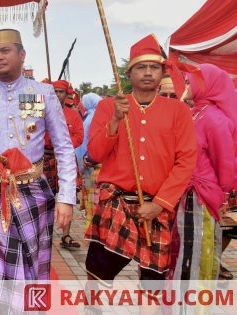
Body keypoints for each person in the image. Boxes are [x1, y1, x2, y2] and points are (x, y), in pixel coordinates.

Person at [0, 29, 75, 281]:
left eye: (5, 51)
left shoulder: (43, 93)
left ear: (22, 54)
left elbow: (63, 147)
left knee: (35, 260)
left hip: (34, 190)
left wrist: (67, 197)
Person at [85, 34, 197, 296]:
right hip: (117, 202)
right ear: (129, 72)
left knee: (152, 281)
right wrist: (115, 120)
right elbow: (95, 153)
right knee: (98, 270)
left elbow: (186, 160)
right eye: (141, 67)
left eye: (154, 67)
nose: (148, 73)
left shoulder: (178, 111)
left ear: (162, 71)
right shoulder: (107, 106)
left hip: (158, 206)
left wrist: (159, 204)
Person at [166, 64, 237, 309]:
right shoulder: (196, 112)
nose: (186, 86)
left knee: (196, 255)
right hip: (186, 194)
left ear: (207, 85)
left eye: (191, 81)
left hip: (199, 197)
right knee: (184, 254)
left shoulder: (215, 119)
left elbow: (226, 164)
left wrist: (223, 191)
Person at [45, 79, 84, 249]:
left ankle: (66, 235)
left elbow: (79, 136)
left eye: (60, 92)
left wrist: (62, 145)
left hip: (65, 159)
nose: (57, 95)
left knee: (67, 196)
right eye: (55, 91)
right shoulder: (41, 112)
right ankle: (43, 233)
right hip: (45, 159)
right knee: (44, 196)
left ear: (66, 94)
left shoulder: (73, 115)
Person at [222, 76, 237, 280]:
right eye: (236, 93)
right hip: (227, 176)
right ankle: (213, 261)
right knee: (227, 224)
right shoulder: (220, 115)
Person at [74, 93, 103, 227]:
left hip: (91, 162)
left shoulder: (91, 118)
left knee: (93, 198)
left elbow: (84, 143)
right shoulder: (97, 116)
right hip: (94, 162)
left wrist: (83, 161)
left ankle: (91, 227)